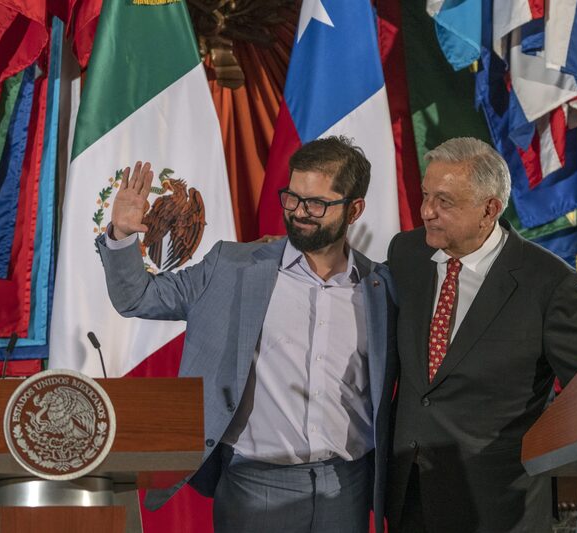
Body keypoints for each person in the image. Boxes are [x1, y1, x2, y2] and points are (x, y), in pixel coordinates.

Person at [97, 136, 397, 533]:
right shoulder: (231, 266)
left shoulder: (382, 288)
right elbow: (137, 298)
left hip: (347, 485)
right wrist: (121, 237)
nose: (299, 213)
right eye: (291, 198)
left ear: (354, 209)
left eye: (316, 204)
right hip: (254, 486)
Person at [385, 137, 577, 533]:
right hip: (410, 494)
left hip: (498, 504)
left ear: (489, 209)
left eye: (444, 201)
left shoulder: (551, 284)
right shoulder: (407, 254)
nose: (426, 212)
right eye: (425, 195)